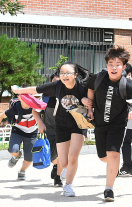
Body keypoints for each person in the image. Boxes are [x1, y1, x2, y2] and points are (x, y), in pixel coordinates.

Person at [12, 63, 91, 198]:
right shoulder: (57, 86)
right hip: (61, 125)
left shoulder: (83, 86)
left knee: (73, 156)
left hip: (78, 124)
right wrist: (18, 91)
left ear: (75, 75)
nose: (64, 76)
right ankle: (66, 169)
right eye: (62, 73)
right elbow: (36, 89)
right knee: (64, 161)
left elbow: (94, 97)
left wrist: (87, 102)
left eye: (68, 73)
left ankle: (68, 186)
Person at [85, 46, 132, 202]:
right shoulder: (99, 78)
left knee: (113, 154)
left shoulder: (127, 84)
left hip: (118, 125)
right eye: (111, 63)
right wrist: (89, 107)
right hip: (100, 124)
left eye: (118, 64)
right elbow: (89, 88)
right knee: (103, 157)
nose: (114, 67)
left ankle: (109, 189)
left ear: (124, 66)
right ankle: (113, 164)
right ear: (107, 65)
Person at [0, 95, 44, 180]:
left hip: (32, 132)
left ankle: (22, 171)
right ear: (19, 98)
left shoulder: (36, 107)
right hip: (18, 130)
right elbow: (0, 116)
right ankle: (16, 156)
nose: (26, 99)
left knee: (30, 157)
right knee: (13, 150)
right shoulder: (15, 109)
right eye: (23, 97)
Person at [42, 72, 62, 187]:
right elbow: (36, 110)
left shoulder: (67, 96)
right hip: (49, 128)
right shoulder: (46, 95)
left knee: (62, 154)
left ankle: (58, 178)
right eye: (54, 81)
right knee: (50, 155)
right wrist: (40, 123)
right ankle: (56, 166)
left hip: (63, 128)